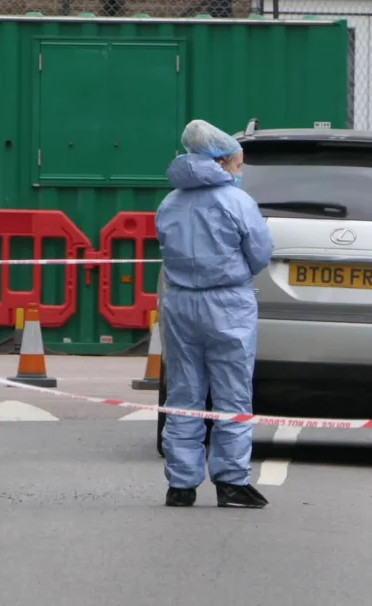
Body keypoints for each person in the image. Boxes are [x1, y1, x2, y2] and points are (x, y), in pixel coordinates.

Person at [155, 119, 274, 509]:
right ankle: (231, 483)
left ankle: (182, 485)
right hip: (227, 303)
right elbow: (259, 253)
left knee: (184, 393)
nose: (239, 173)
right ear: (222, 163)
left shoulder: (170, 203)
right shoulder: (237, 202)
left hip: (180, 302)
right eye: (238, 165)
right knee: (232, 393)